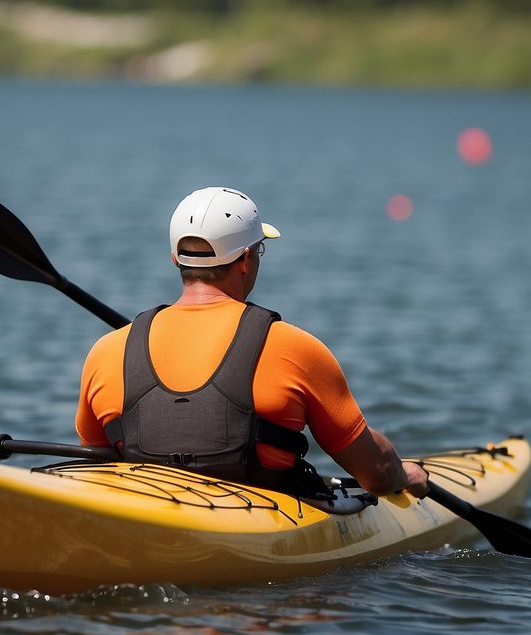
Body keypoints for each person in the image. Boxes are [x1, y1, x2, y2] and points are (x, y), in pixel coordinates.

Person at [75, 186, 429, 501]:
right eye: (259, 250)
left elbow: (96, 475)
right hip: (257, 525)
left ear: (175, 259)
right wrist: (405, 473)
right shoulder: (294, 348)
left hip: (142, 517)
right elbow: (377, 474)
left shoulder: (107, 352)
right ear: (245, 260)